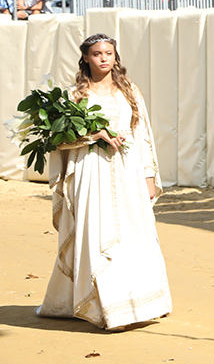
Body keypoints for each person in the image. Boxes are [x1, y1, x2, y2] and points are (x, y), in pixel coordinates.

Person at [37, 33, 170, 330]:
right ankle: (106, 308)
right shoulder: (75, 96)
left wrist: (149, 176)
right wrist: (94, 135)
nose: (104, 58)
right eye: (97, 53)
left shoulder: (130, 91)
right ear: (86, 57)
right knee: (96, 235)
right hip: (89, 171)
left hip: (127, 171)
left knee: (133, 233)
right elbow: (58, 140)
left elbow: (142, 135)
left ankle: (141, 303)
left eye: (109, 53)